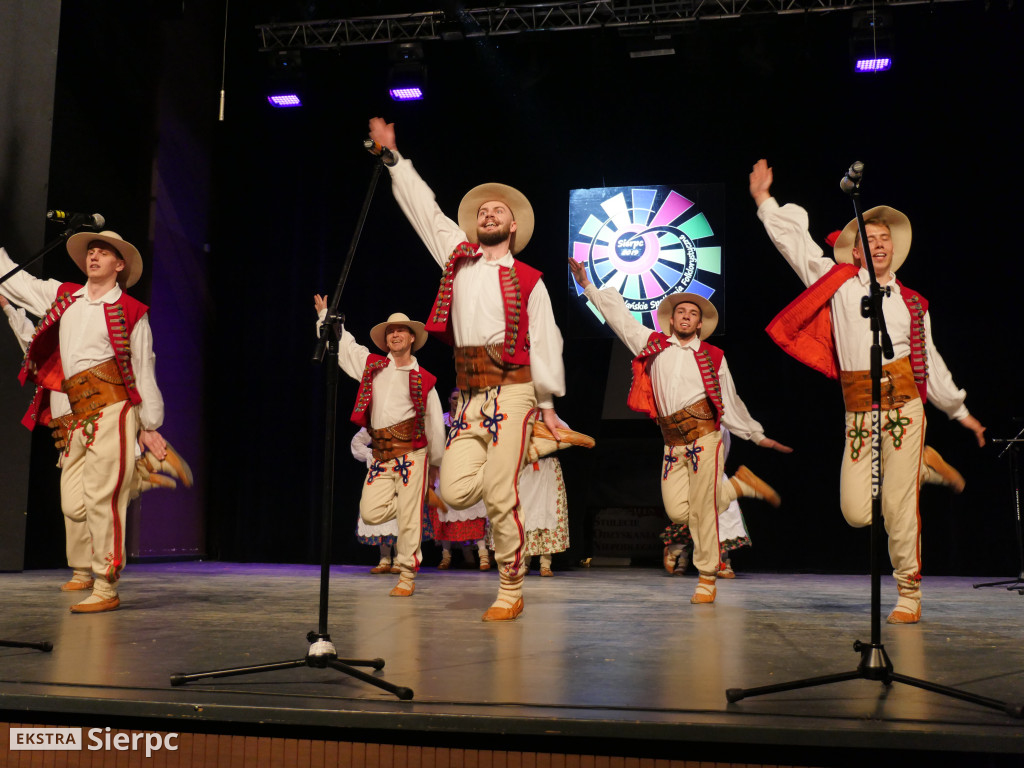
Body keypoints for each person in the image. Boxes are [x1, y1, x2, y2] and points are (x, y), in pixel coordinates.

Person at [749, 158, 986, 624]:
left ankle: (909, 591)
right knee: (857, 512)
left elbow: (930, 363)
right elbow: (795, 243)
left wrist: (959, 412)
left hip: (905, 405)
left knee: (898, 507)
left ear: (893, 250)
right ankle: (924, 467)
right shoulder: (835, 286)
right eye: (868, 240)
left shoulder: (913, 302)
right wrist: (764, 201)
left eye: (884, 240)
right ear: (854, 250)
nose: (877, 246)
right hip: (858, 410)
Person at [367, 117, 567, 621]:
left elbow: (545, 342)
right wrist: (395, 160)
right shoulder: (456, 260)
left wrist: (547, 406)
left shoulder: (529, 279)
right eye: (482, 210)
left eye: (498, 210)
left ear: (513, 225)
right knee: (455, 492)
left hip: (515, 391)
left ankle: (509, 586)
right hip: (470, 397)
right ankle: (520, 454)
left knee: (499, 493)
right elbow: (425, 212)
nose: (488, 213)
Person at [569, 259, 791, 604]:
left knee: (702, 509)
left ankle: (706, 578)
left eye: (692, 313)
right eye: (681, 312)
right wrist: (587, 286)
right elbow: (620, 319)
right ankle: (737, 486)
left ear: (700, 323)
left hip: (706, 436)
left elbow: (730, 401)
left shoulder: (713, 356)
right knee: (677, 512)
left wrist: (756, 434)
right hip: (672, 443)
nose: (686, 317)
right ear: (671, 319)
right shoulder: (653, 344)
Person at [0, 232, 187, 613]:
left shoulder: (132, 312)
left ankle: (105, 583)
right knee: (73, 502)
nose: (95, 256)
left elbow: (142, 369)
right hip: (74, 414)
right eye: (91, 251)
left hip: (112, 408)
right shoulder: (65, 296)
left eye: (104, 252)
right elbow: (19, 282)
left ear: (120, 265)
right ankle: (133, 477)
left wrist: (149, 425)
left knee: (102, 498)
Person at [315, 298, 444, 597]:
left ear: (412, 337)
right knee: (371, 512)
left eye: (401, 331)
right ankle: (415, 502)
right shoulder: (373, 366)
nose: (395, 335)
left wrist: (435, 466)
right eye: (390, 332)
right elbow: (347, 348)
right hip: (383, 455)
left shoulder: (423, 380)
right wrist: (325, 315)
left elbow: (435, 424)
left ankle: (407, 575)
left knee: (409, 518)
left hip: (413, 452)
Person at [434, 389, 491, 571]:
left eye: (461, 398)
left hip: (469, 468)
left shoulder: (473, 419)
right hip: (446, 471)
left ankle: (483, 555)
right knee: (446, 516)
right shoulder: (441, 421)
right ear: (449, 399)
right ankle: (446, 556)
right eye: (454, 398)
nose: (457, 401)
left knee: (475, 511)